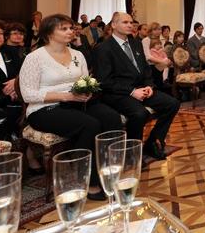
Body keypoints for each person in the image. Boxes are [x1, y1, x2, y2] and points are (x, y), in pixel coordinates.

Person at [19, 14, 123, 199]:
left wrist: (87, 91)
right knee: (90, 124)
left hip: (76, 102)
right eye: (64, 29)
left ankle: (107, 170)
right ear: (49, 33)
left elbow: (85, 80)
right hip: (44, 109)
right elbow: (28, 94)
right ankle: (88, 179)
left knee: (112, 118)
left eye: (71, 28)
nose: (70, 31)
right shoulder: (35, 57)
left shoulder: (77, 54)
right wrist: (65, 96)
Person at [94, 12, 180, 160]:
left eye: (131, 22)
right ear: (113, 25)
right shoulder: (103, 48)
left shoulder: (135, 43)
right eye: (125, 22)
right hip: (118, 93)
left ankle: (152, 142)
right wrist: (132, 91)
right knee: (140, 113)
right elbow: (104, 80)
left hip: (142, 88)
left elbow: (145, 69)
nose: (130, 25)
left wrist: (149, 85)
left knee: (172, 103)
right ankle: (132, 152)